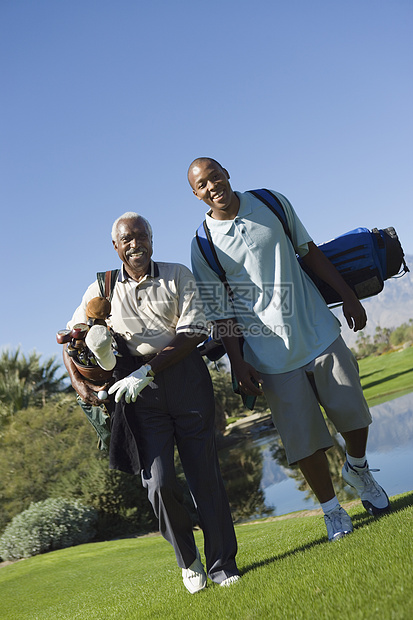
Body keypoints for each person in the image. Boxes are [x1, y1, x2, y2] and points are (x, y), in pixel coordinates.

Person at [188, 157, 390, 542]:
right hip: (269, 355)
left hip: (317, 327)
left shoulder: (271, 202)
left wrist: (348, 296)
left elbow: (310, 252)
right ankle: (332, 511)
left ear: (227, 174)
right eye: (203, 184)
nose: (213, 186)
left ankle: (358, 468)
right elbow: (219, 309)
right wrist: (237, 361)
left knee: (355, 413)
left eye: (216, 176)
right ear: (196, 195)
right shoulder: (203, 244)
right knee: (304, 441)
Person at [64, 212, 240, 592]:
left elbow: (193, 332)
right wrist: (82, 387)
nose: (135, 244)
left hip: (187, 381)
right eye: (127, 239)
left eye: (141, 237)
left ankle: (223, 565)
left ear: (151, 240)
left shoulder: (177, 274)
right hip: (139, 396)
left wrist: (148, 371)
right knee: (158, 483)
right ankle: (189, 562)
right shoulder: (102, 288)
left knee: (204, 477)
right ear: (116, 247)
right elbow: (71, 339)